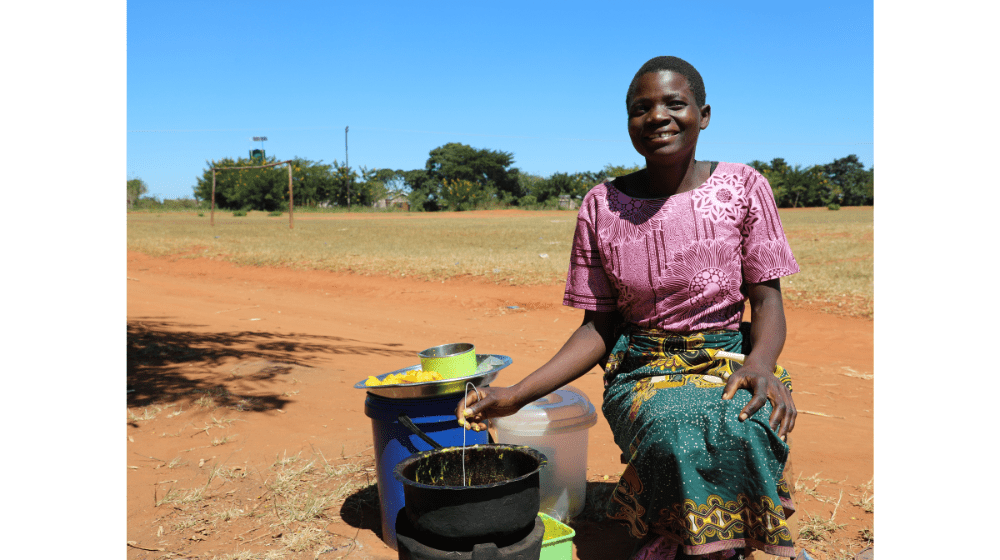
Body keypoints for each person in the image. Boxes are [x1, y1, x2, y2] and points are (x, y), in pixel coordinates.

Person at [456, 56, 800, 560]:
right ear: (629, 123)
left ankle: (729, 540)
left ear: (703, 115)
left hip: (731, 357)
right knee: (676, 428)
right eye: (641, 108)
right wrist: (517, 394)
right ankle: (676, 536)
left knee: (745, 421)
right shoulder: (602, 204)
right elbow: (599, 324)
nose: (657, 116)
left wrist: (761, 365)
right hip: (642, 367)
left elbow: (767, 299)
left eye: (674, 104)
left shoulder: (744, 188)